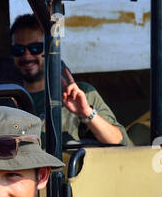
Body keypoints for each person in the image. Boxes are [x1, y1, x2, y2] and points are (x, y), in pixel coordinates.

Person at [9, 13, 130, 146]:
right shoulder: (3, 99)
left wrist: (86, 113)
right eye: (18, 50)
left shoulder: (80, 93)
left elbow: (119, 141)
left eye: (35, 48)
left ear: (49, 49)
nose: (27, 56)